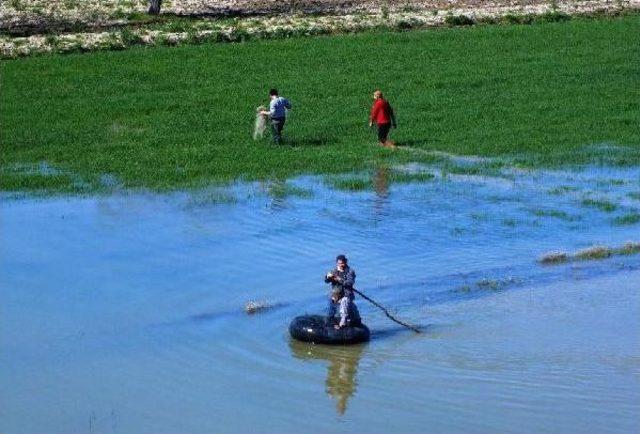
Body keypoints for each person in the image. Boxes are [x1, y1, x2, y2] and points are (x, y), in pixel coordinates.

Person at [325, 254, 356, 320]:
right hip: (335, 294)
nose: (341, 265)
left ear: (346, 262)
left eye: (342, 263)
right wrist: (328, 277)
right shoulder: (334, 271)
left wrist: (338, 279)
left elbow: (349, 283)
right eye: (339, 263)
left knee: (344, 312)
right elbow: (326, 281)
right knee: (331, 309)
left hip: (346, 294)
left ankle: (345, 322)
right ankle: (330, 319)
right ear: (337, 263)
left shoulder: (350, 272)